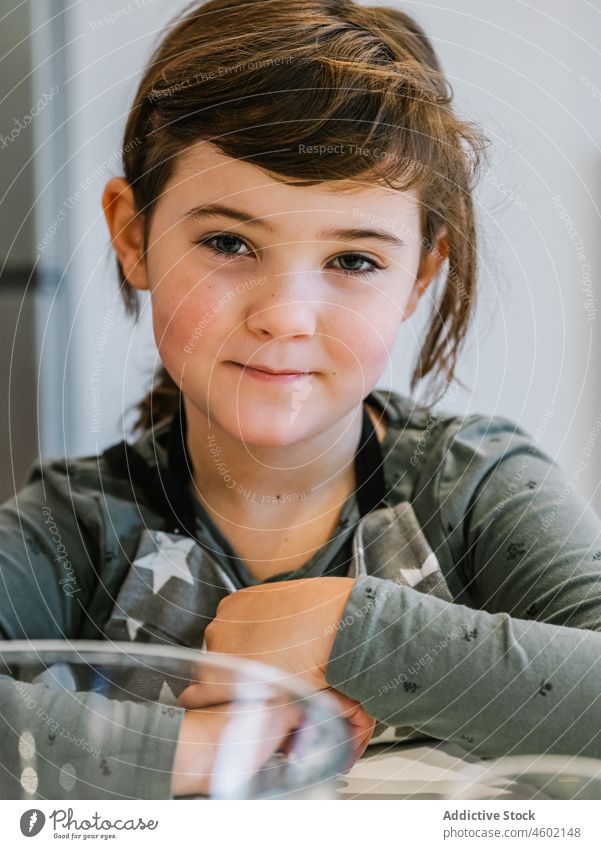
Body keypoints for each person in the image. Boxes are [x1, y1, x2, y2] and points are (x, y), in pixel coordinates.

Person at [2, 0, 601, 800]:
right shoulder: (74, 529)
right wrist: (200, 745)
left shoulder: (476, 490)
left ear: (420, 274)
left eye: (352, 259)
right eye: (227, 243)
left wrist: (356, 632)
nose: (284, 315)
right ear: (133, 234)